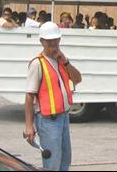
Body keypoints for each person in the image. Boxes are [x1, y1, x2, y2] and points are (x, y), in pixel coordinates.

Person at [24, 22, 82, 171]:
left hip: (63, 117)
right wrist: (29, 126)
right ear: (41, 41)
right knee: (52, 163)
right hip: (48, 120)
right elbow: (29, 96)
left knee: (65, 159)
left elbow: (77, 79)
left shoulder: (61, 61)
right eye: (49, 41)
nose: (53, 44)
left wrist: (66, 62)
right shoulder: (37, 64)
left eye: (55, 40)